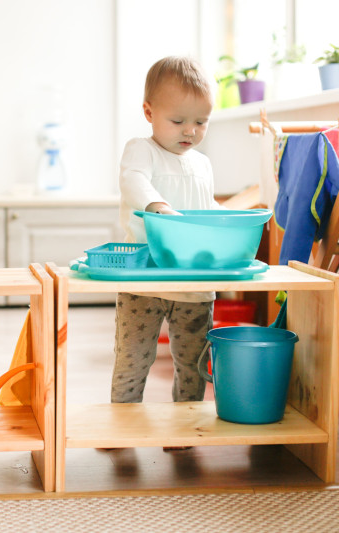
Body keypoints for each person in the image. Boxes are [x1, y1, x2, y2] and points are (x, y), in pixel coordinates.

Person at [112, 56, 219, 417]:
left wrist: (234, 221)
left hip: (194, 279)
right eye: (178, 121)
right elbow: (133, 180)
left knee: (193, 361)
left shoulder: (202, 164)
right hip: (145, 277)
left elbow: (207, 210)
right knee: (132, 357)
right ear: (149, 112)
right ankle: (122, 421)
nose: (190, 131)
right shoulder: (142, 150)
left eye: (201, 122)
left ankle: (186, 422)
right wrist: (158, 205)